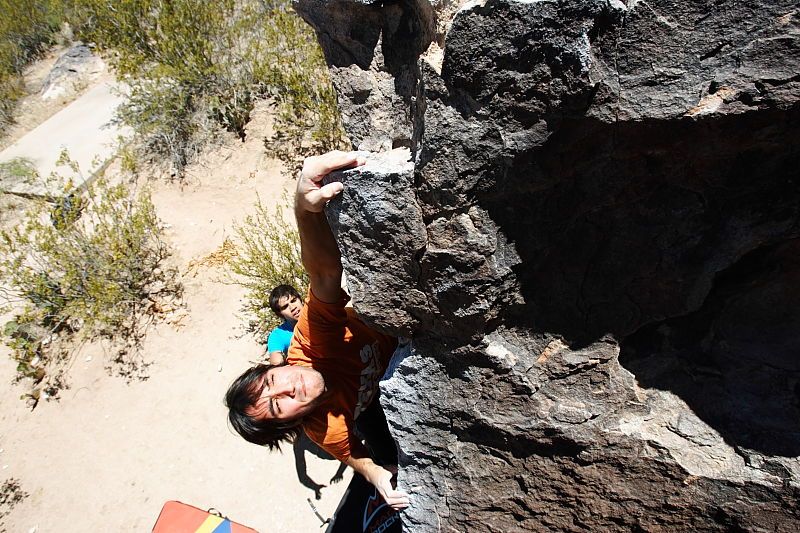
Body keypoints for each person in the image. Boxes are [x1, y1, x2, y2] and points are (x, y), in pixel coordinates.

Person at [225, 151, 410, 510]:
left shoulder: (311, 344)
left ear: (274, 368)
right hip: (368, 407)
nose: (290, 387)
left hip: (400, 346)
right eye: (280, 408)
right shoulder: (322, 428)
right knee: (384, 452)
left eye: (274, 382)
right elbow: (352, 456)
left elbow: (325, 276)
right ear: (295, 424)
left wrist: (304, 208)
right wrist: (374, 475)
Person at [265, 284, 303, 365]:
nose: (293, 308)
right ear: (279, 314)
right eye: (285, 307)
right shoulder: (278, 335)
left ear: (300, 299)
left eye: (293, 301)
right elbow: (276, 362)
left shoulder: (318, 314)